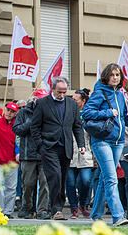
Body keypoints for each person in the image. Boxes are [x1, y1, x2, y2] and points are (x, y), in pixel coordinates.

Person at [29, 77, 86, 220]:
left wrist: (81, 144)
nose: (61, 95)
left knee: (62, 179)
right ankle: (57, 210)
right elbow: (34, 127)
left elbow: (77, 126)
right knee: (55, 176)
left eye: (64, 92)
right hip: (48, 147)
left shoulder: (72, 104)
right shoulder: (42, 103)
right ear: (52, 89)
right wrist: (40, 145)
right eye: (59, 92)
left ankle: (54, 207)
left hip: (65, 147)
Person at [83, 63, 128, 226]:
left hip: (118, 141)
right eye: (112, 75)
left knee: (104, 177)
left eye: (118, 75)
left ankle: (96, 213)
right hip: (102, 140)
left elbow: (123, 118)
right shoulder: (100, 92)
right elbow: (86, 113)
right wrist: (108, 112)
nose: (115, 78)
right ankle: (118, 216)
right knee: (111, 177)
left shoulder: (121, 95)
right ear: (106, 76)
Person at [13, 90, 50, 219]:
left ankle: (42, 210)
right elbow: (17, 129)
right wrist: (31, 122)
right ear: (35, 100)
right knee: (28, 184)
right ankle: (27, 207)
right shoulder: (24, 112)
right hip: (28, 154)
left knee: (45, 183)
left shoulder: (49, 112)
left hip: (44, 154)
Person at [67, 89, 93, 218]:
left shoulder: (88, 114)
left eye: (75, 99)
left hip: (85, 153)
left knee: (86, 181)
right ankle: (73, 207)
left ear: (83, 101)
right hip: (70, 152)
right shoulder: (67, 113)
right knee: (70, 182)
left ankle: (83, 204)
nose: (73, 101)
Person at [0, 102, 18, 216]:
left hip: (12, 162)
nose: (9, 113)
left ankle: (8, 211)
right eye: (8, 110)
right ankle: (0, 210)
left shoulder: (17, 125)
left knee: (11, 188)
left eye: (12, 111)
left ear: (15, 113)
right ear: (5, 110)